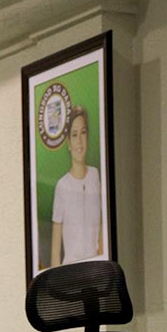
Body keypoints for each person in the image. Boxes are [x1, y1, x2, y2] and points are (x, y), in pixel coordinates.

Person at [50, 105, 103, 267]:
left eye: (83, 133)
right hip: (70, 274)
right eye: (74, 135)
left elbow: (102, 227)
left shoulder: (96, 176)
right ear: (68, 142)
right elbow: (55, 251)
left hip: (96, 272)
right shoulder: (62, 186)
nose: (79, 140)